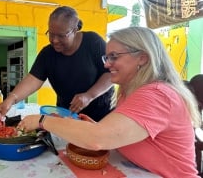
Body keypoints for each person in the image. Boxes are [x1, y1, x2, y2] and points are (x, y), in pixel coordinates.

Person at [17, 27, 202, 178]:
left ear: (142, 58)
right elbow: (117, 133)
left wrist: (42, 121)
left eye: (114, 56)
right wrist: (82, 126)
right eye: (107, 57)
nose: (106, 64)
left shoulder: (157, 94)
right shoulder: (129, 90)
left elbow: (99, 139)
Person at [0, 6, 114, 123]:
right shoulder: (47, 53)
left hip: (99, 116)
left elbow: (110, 74)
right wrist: (10, 99)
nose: (55, 40)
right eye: (51, 34)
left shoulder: (93, 42)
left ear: (75, 29)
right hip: (66, 115)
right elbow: (33, 79)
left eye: (61, 36)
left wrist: (89, 96)